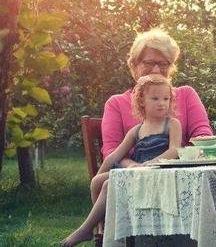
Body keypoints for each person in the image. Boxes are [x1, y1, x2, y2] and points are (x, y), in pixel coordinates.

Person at [61, 74, 182, 246]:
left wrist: (153, 162)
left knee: (108, 185)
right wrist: (101, 172)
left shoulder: (172, 124)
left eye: (166, 98)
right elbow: (115, 155)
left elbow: (175, 150)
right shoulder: (137, 130)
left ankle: (86, 229)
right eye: (155, 98)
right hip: (138, 172)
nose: (162, 103)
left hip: (159, 173)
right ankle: (101, 231)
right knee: (97, 182)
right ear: (142, 101)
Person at [101, 28, 212, 168]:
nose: (156, 70)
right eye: (149, 63)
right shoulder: (116, 103)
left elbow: (203, 138)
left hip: (181, 174)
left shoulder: (187, 94)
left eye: (163, 64)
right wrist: (134, 167)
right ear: (134, 65)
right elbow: (112, 151)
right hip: (134, 181)